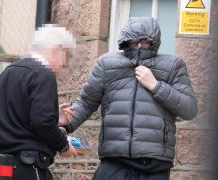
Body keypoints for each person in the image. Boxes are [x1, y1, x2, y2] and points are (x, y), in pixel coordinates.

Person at [67, 17, 198, 180]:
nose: (138, 46)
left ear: (154, 42)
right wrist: (63, 126)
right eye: (133, 42)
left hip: (154, 165)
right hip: (114, 161)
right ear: (125, 41)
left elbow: (190, 109)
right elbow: (86, 102)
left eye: (144, 42)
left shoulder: (173, 66)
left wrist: (156, 86)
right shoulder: (106, 64)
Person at [0, 25, 77, 180]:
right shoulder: (43, 74)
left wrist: (54, 115)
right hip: (25, 165)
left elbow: (14, 116)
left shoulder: (9, 71)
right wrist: (64, 145)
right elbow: (42, 122)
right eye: (66, 57)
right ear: (57, 49)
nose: (63, 66)